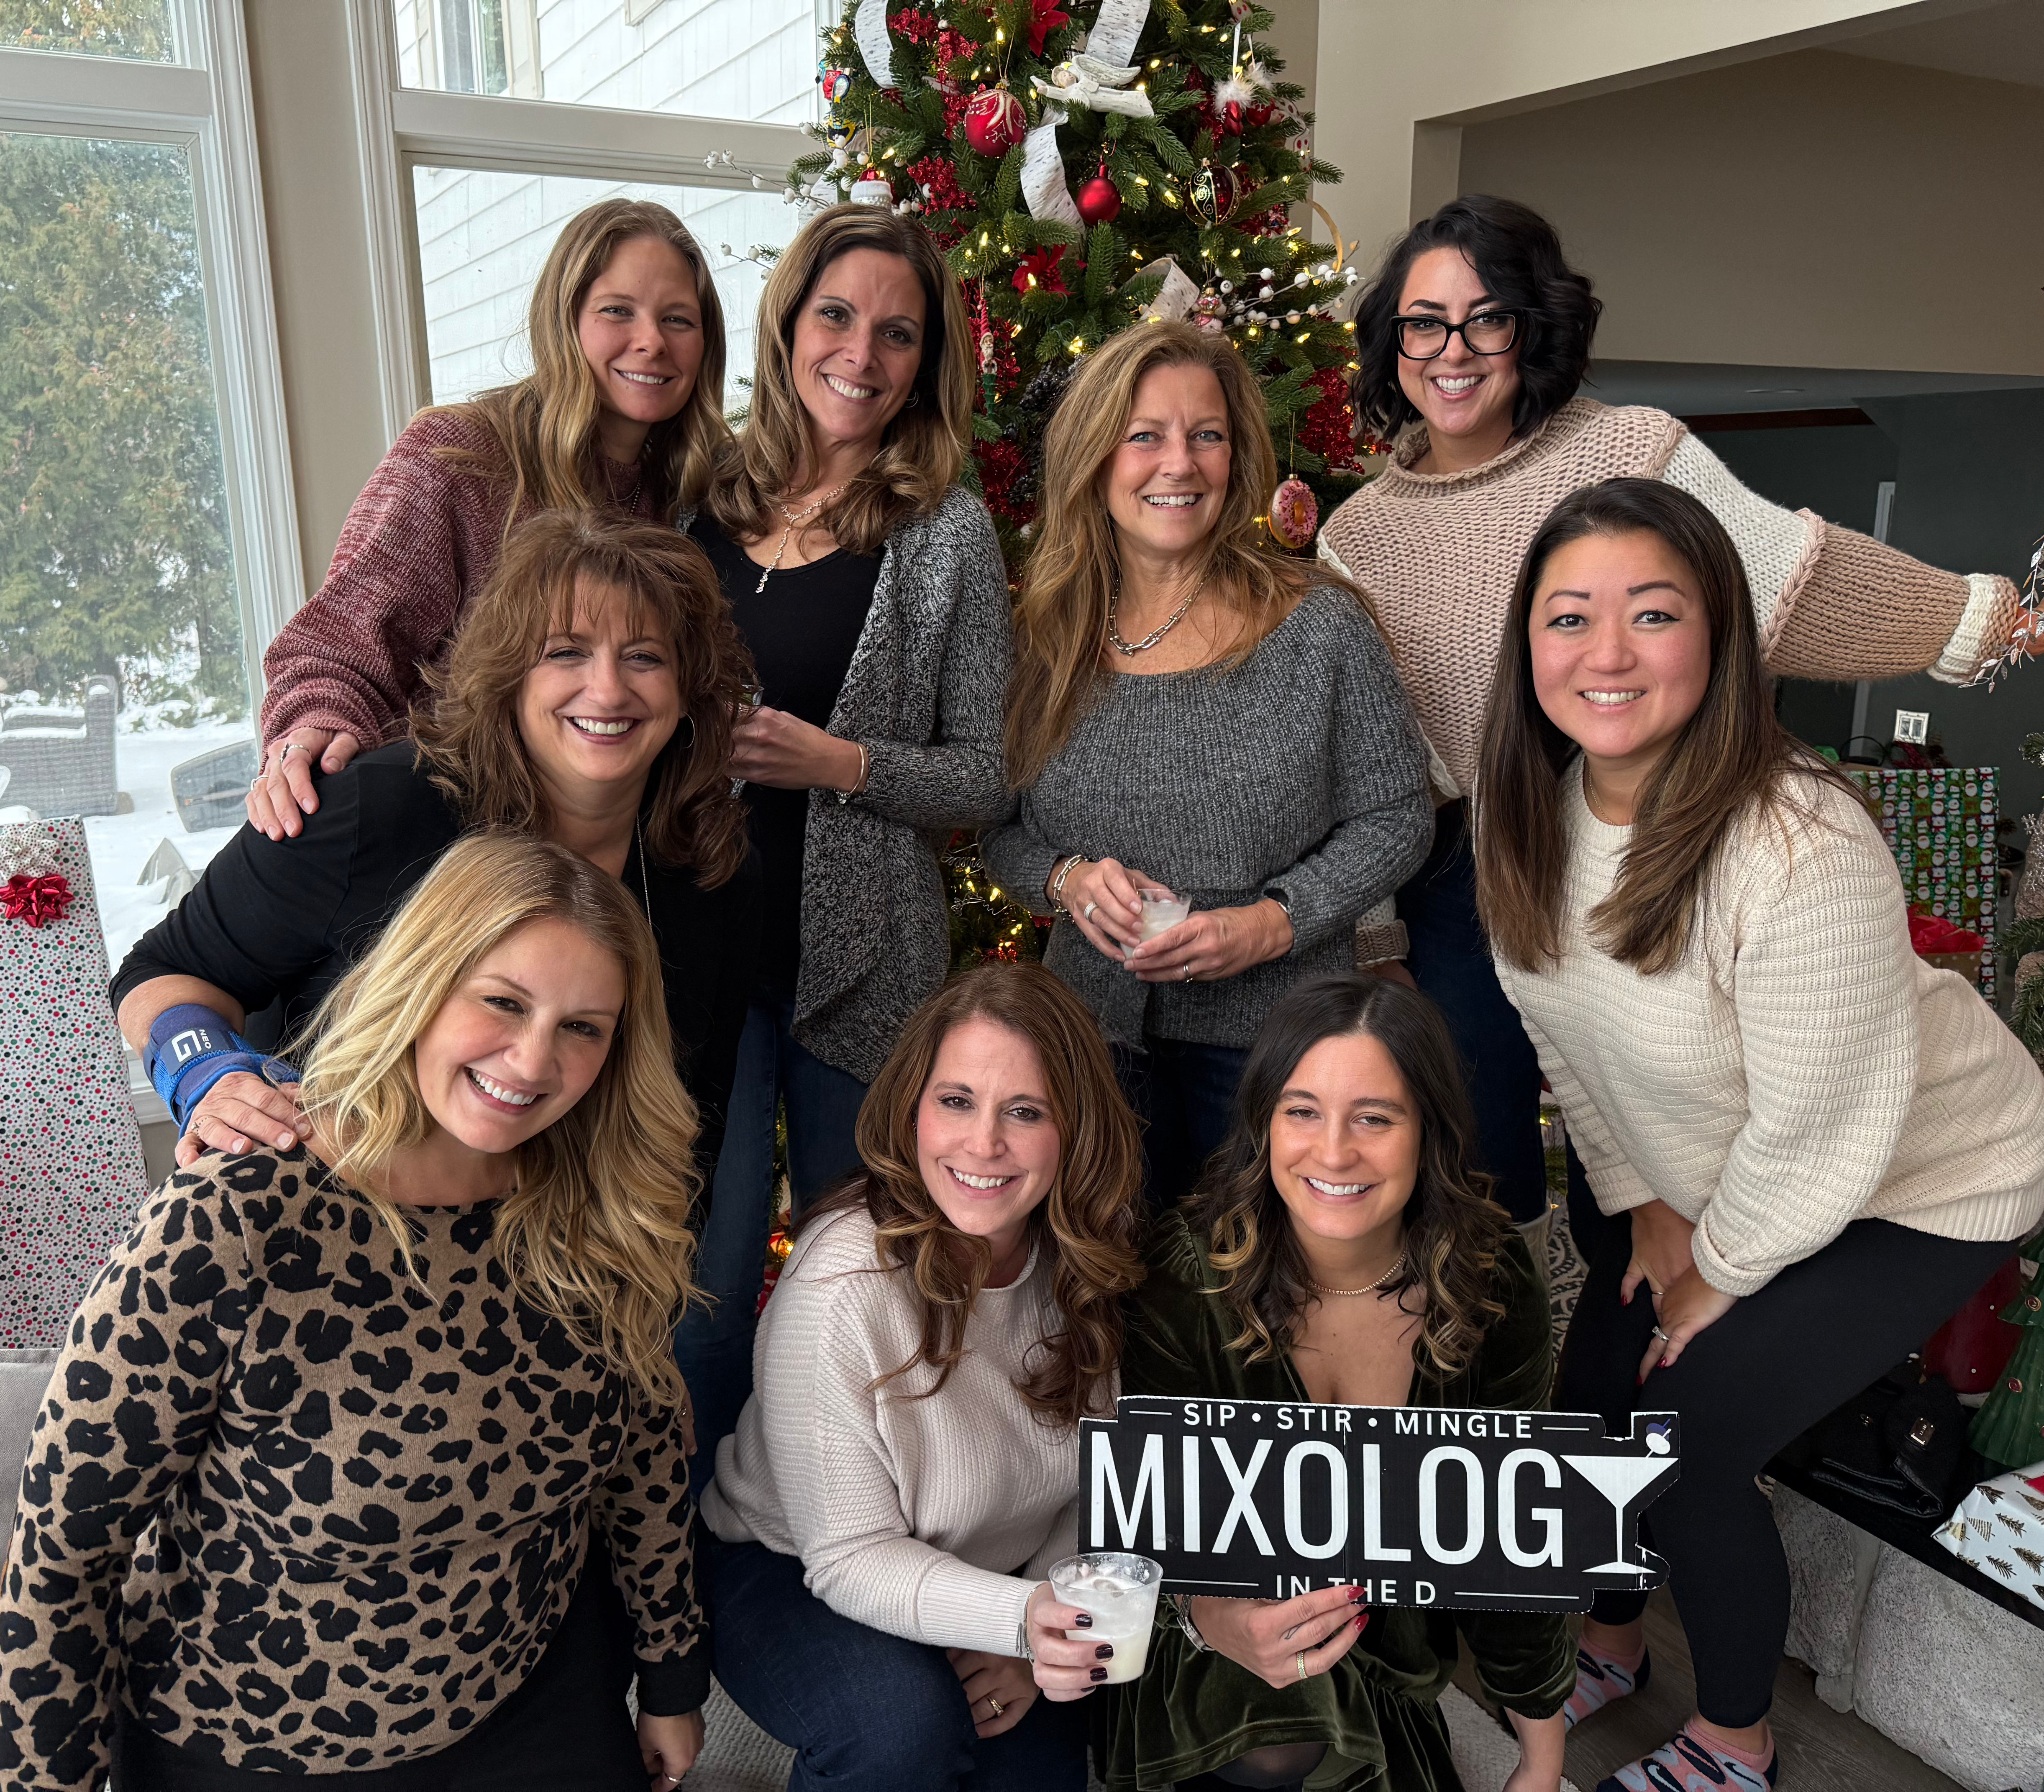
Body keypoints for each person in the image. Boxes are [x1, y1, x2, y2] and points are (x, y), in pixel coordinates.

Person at [1473, 479, 2044, 1792]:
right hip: (1747, 1175)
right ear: (1527, 647)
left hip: (1923, 1176)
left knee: (1682, 1447)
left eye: (1653, 614)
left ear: (1721, 639)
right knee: (1589, 1409)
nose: (1605, 654)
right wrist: (1644, 1200)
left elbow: (1824, 1131)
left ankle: (1736, 1740)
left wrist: (1716, 1271)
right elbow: (1560, 1034)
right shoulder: (1528, 821)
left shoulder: (1797, 842)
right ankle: (1610, 1635)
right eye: (1569, 617)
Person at [1316, 194, 2028, 1235]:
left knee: (1675, 1138)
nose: (1453, 351)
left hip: (1655, 843)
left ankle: (1704, 1282)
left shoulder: (1633, 454)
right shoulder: (1356, 537)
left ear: (1534, 328)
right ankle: (1509, 1341)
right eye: (1424, 324)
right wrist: (1378, 933)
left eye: (1488, 318)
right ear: (1393, 344)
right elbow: (1373, 763)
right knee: (1475, 1157)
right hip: (1469, 873)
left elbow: (1793, 579)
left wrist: (1970, 622)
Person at [0, 832, 711, 1792]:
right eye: (502, 1002)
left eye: (583, 1027)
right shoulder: (233, 1220)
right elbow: (60, 1561)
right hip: (257, 1742)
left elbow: (647, 1459)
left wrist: (671, 1677)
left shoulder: (601, 1210)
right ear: (421, 985)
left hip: (525, 1698)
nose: (534, 1059)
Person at [113, 512, 757, 1233]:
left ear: (688, 690)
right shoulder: (373, 812)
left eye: (645, 658)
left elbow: (680, 1131)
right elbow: (163, 969)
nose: (607, 692)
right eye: (567, 653)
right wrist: (204, 1071)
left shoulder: (706, 876)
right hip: (312, 1239)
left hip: (553, 1274)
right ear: (510, 672)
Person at [1025, 972, 1570, 1792]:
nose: (1335, 1151)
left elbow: (1518, 1544)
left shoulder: (1489, 1286)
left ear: (1429, 1130)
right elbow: (1142, 1537)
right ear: (1264, 1124)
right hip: (1203, 1644)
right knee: (1275, 1749)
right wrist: (1218, 1620)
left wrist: (1541, 1754)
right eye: (1303, 1112)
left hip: (1380, 1656)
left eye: (1375, 1119)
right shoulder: (1188, 1281)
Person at [675, 203, 1014, 1474]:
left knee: (855, 1276)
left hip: (863, 972)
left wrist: (846, 764)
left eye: (897, 334)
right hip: (693, 955)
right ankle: (691, 1553)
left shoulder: (946, 532)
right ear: (787, 322)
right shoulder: (700, 493)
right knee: (698, 1282)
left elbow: (987, 774)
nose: (861, 357)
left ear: (928, 362)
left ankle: (847, 1527)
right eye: (837, 317)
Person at [982, 321, 1432, 1207]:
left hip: (1282, 1052)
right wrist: (1066, 879)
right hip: (1094, 1045)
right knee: (1112, 1297)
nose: (1178, 464)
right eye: (1144, 435)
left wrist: (1275, 922)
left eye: (1207, 435)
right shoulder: (1045, 637)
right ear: (1095, 455)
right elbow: (1000, 829)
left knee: (1257, 1303)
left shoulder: (1320, 627)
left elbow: (1398, 815)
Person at [698, 963, 1144, 1792]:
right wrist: (1020, 1620)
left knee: (1037, 1752)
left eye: (1026, 1112)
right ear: (912, 1108)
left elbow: (1093, 1492)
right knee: (904, 1727)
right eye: (957, 1101)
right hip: (786, 1564)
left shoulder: (1084, 1263)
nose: (984, 1144)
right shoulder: (842, 1287)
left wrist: (1027, 1633)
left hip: (1000, 1571)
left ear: (1072, 1131)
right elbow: (851, 1557)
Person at [249, 197, 728, 839]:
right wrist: (312, 730)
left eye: (679, 319)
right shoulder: (459, 457)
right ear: (565, 320)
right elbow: (339, 644)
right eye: (618, 311)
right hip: (458, 855)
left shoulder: (701, 493)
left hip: (623, 853)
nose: (652, 342)